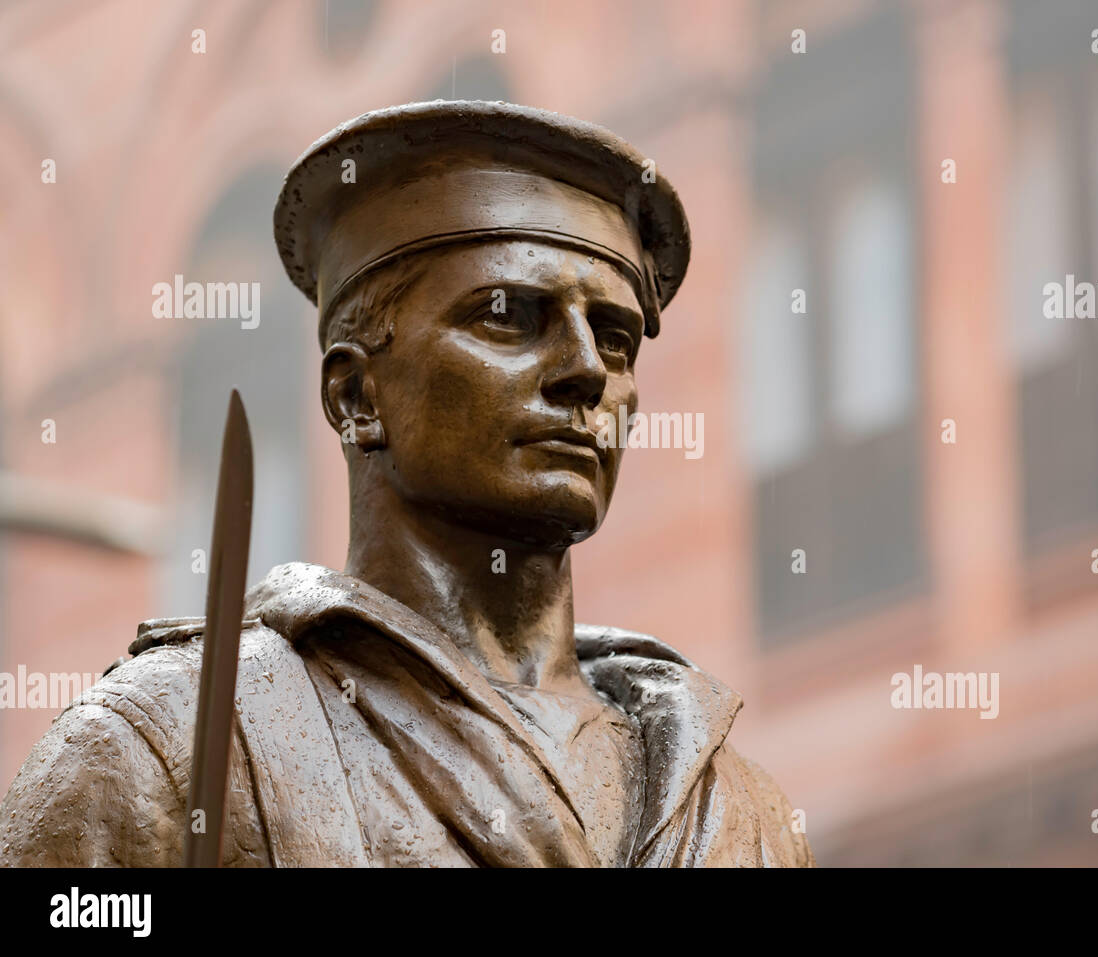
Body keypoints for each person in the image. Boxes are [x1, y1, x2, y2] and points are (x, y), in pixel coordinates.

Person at [0, 101, 814, 867]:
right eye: (510, 317)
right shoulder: (166, 744)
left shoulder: (742, 812)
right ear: (357, 396)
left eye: (616, 339)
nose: (585, 373)